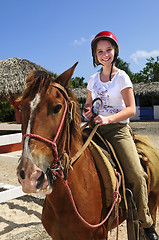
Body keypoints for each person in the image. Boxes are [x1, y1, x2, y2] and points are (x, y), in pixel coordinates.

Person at [83, 31, 159, 240]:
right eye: (100, 51)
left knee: (136, 174)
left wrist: (108, 119)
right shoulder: (92, 79)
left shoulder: (122, 76)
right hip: (94, 128)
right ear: (95, 55)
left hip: (117, 130)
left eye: (108, 49)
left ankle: (147, 224)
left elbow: (131, 109)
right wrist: (87, 112)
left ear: (115, 51)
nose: (105, 54)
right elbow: (88, 105)